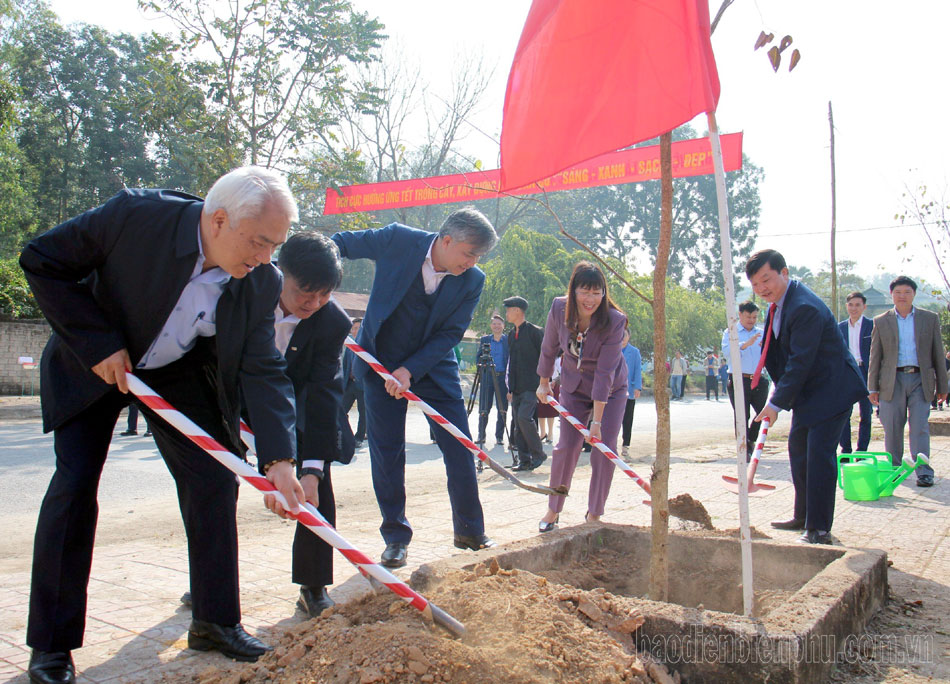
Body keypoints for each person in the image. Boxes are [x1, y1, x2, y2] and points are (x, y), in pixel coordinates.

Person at [20, 167, 304, 683]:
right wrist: (96, 340)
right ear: (219, 221)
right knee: (75, 486)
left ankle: (215, 619)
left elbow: (264, 367)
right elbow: (42, 259)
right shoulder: (135, 217)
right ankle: (52, 646)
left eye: (275, 246)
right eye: (261, 242)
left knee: (214, 478)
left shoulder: (260, 279)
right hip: (97, 356)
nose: (267, 258)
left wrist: (280, 458)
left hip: (177, 370)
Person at [330, 207, 497, 569]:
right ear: (447, 240)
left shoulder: (473, 280)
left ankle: (470, 530)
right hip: (379, 363)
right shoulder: (397, 240)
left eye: (478, 257)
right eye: (469, 253)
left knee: (459, 445)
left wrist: (410, 370)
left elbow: (450, 333)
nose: (472, 262)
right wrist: (304, 266)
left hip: (433, 367)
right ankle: (395, 537)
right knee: (387, 452)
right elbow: (339, 244)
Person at [746, 249, 866, 545]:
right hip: (809, 393)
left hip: (831, 390)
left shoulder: (803, 307)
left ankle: (819, 528)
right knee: (799, 451)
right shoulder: (780, 304)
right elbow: (781, 355)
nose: (762, 289)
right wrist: (778, 391)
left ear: (784, 273)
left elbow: (802, 361)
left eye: (766, 280)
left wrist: (774, 404)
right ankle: (803, 516)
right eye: (755, 285)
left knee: (819, 457)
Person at [272, 232, 355, 617]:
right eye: (305, 291)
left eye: (324, 293)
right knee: (211, 488)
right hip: (233, 400)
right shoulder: (245, 292)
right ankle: (206, 582)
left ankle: (314, 584)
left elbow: (324, 392)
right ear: (280, 271)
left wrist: (311, 470)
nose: (314, 303)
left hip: (298, 403)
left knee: (318, 488)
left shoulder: (331, 320)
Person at [536, 262, 628, 532]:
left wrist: (596, 424)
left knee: (604, 448)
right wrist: (543, 383)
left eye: (596, 292)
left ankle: (595, 513)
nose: (590, 299)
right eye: (584, 292)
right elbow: (549, 346)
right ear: (573, 290)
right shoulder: (558, 308)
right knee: (566, 447)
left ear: (604, 293)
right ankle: (554, 508)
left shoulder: (614, 320)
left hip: (610, 391)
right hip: (574, 386)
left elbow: (605, 372)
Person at [867, 276, 948, 487]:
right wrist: (872, 387)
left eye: (907, 292)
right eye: (898, 292)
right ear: (891, 295)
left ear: (914, 294)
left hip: (921, 379)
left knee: (920, 425)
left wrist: (943, 386)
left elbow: (938, 354)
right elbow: (875, 357)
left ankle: (923, 471)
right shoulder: (881, 321)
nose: (902, 296)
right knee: (892, 426)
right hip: (892, 380)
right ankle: (894, 469)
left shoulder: (929, 319)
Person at [722, 300, 770, 459]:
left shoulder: (762, 332)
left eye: (755, 317)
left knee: (763, 414)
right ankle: (743, 448)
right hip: (738, 379)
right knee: (742, 415)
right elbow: (728, 353)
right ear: (740, 315)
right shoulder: (731, 332)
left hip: (759, 379)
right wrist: (744, 345)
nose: (752, 320)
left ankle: (750, 439)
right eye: (749, 316)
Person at [504, 295, 546, 471]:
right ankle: (524, 460)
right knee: (517, 424)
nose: (506, 314)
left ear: (517, 310)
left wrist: (545, 382)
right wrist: (510, 388)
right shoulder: (511, 335)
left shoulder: (535, 331)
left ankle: (538, 453)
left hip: (532, 385)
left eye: (508, 310)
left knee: (524, 418)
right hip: (517, 387)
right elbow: (512, 362)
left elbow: (546, 357)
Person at [838, 291, 874, 453]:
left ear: (864, 307)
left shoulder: (872, 326)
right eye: (851, 305)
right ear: (847, 306)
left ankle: (862, 451)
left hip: (866, 372)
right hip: (847, 373)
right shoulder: (840, 327)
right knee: (844, 413)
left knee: (866, 414)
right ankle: (846, 449)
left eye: (857, 305)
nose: (854, 308)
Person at [475, 313, 509, 447]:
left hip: (502, 377)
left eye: (499, 324)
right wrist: (480, 374)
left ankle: (499, 437)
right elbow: (478, 358)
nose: (496, 326)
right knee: (484, 407)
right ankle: (481, 435)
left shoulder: (507, 340)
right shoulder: (485, 340)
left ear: (503, 326)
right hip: (488, 377)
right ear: (491, 326)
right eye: (494, 324)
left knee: (502, 408)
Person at [342, 318, 366, 448]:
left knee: (364, 413)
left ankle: (359, 437)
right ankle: (347, 435)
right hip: (350, 383)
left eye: (358, 328)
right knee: (341, 410)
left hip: (362, 385)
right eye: (354, 328)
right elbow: (346, 364)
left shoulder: (366, 345)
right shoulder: (349, 345)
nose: (355, 330)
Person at [620, 328, 642, 457]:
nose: (622, 337)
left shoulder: (634, 352)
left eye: (625, 335)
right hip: (613, 392)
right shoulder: (612, 350)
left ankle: (625, 445)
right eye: (620, 334)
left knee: (627, 419)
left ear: (629, 336)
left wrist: (637, 387)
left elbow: (637, 370)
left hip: (629, 391)